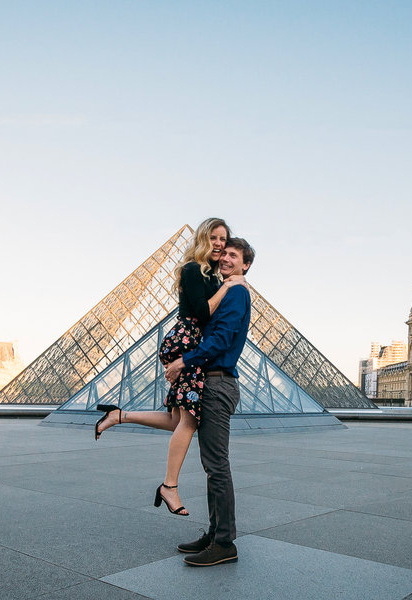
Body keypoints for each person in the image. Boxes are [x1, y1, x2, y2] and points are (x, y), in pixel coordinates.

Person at [94, 218, 246, 517]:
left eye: (223, 240)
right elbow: (202, 312)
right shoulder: (193, 270)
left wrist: (226, 283)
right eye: (214, 238)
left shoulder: (213, 276)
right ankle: (169, 486)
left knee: (178, 419)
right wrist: (229, 285)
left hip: (192, 345)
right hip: (186, 343)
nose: (219, 245)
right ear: (203, 239)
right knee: (189, 421)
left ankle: (119, 415)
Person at [165, 237, 254, 567]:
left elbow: (219, 340)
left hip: (217, 383)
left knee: (217, 465)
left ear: (245, 265)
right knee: (211, 466)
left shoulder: (237, 293)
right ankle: (215, 532)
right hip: (211, 382)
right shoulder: (227, 289)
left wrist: (183, 361)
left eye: (234, 255)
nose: (225, 257)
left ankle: (224, 542)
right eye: (224, 253)